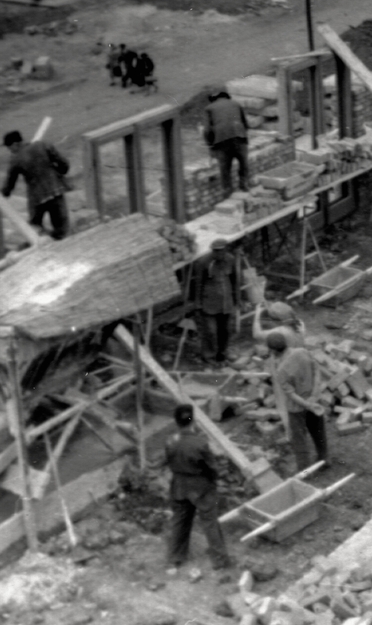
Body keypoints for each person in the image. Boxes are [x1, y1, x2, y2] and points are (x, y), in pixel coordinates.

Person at [164, 404, 231, 570]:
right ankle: (220, 560)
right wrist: (214, 481)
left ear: (176, 421)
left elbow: (168, 461)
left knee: (180, 521)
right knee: (209, 522)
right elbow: (212, 467)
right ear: (193, 420)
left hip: (179, 486)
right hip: (200, 487)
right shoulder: (200, 443)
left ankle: (175, 558)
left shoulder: (170, 441)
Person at [267, 333, 328, 469]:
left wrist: (307, 404)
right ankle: (324, 459)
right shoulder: (303, 351)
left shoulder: (281, 370)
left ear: (273, 351)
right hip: (315, 401)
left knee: (299, 439)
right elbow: (317, 371)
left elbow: (291, 394)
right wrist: (314, 396)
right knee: (319, 432)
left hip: (297, 408)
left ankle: (304, 470)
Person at [1, 130, 72, 240]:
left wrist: (3, 194)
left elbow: (10, 183)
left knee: (34, 226)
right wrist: (58, 173)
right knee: (62, 228)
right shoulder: (43, 145)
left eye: (9, 147)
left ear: (15, 144)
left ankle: (43, 244)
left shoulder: (16, 159)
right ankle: (61, 242)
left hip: (37, 198)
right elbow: (64, 164)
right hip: (56, 190)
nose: (9, 151)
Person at [190, 239, 241, 365]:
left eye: (221, 251)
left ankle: (222, 353)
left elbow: (235, 280)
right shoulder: (203, 262)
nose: (218, 254)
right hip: (209, 303)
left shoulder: (230, 260)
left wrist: (237, 300)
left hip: (226, 302)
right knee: (210, 331)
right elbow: (198, 284)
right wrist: (198, 303)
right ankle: (209, 356)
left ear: (225, 250)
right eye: (215, 251)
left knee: (225, 330)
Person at [203, 88, 249, 193]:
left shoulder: (209, 109)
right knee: (243, 163)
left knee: (225, 168)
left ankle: (227, 192)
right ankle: (244, 185)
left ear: (213, 99)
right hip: (239, 137)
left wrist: (210, 145)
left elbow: (207, 130)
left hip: (221, 140)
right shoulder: (236, 104)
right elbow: (245, 124)